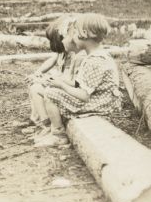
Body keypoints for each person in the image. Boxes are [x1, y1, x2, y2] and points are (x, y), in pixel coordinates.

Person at [34, 13, 121, 147]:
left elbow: (84, 96)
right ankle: (52, 127)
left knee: (50, 94)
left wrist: (61, 86)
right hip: (99, 99)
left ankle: (59, 135)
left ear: (84, 34)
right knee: (52, 89)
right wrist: (56, 81)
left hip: (100, 104)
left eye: (74, 34)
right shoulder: (95, 56)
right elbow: (79, 83)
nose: (72, 39)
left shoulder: (95, 61)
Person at [26, 15, 83, 134]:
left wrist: (47, 79)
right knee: (34, 83)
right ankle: (37, 119)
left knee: (37, 88)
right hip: (62, 84)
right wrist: (38, 73)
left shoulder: (75, 55)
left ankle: (46, 124)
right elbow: (51, 61)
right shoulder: (62, 53)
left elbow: (72, 81)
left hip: (67, 87)